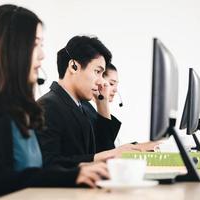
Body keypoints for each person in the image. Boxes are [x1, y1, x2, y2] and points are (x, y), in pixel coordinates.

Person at [0, 5, 109, 200]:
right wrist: (70, 176)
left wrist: (78, 172)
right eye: (35, 44)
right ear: (5, 45)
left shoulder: (18, 107)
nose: (42, 55)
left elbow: (36, 169)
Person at [37, 36, 140, 168]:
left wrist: (102, 105)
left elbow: (106, 151)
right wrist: (103, 156)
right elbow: (49, 164)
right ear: (73, 67)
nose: (102, 81)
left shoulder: (84, 106)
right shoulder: (47, 107)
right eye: (97, 72)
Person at [84, 63, 160, 152]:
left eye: (116, 85)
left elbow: (114, 146)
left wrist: (140, 146)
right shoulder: (87, 111)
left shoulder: (99, 112)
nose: (116, 90)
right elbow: (105, 149)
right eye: (111, 83)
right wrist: (138, 147)